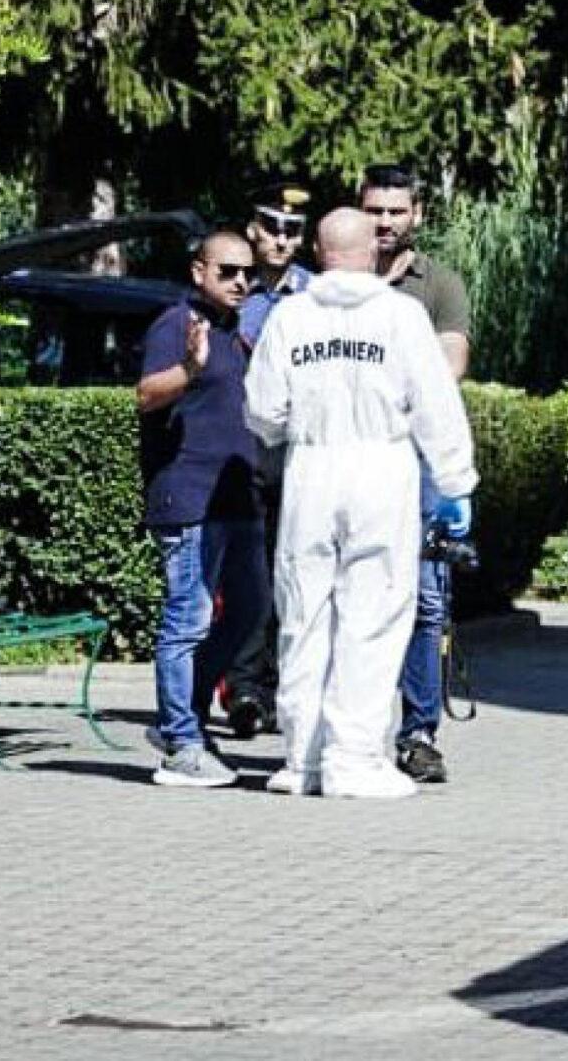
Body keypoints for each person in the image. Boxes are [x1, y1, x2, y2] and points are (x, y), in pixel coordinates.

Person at [243, 207, 477, 799]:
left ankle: (303, 758)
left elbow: (263, 413)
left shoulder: (291, 317)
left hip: (312, 468)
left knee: (303, 612)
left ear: (318, 253)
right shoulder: (400, 316)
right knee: (374, 612)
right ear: (372, 249)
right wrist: (456, 482)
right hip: (381, 467)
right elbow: (435, 403)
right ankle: (356, 758)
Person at [135, 228, 270, 788]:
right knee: (186, 620)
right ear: (198, 273)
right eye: (227, 272)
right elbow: (145, 394)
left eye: (247, 273)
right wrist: (189, 369)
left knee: (249, 609)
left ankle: (184, 718)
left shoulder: (235, 331)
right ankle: (180, 743)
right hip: (189, 498)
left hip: (237, 500)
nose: (240, 282)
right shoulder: (177, 325)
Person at [361, 163, 470, 785]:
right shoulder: (330, 282)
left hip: (418, 464)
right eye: (375, 210)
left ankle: (420, 732)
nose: (385, 222)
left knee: (426, 601)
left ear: (416, 215)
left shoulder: (440, 284)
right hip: (349, 461)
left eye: (396, 211)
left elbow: (448, 367)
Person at [224, 178, 316, 739]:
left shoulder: (317, 297)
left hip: (298, 453)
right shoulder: (235, 290)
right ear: (254, 230)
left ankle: (286, 686)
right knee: (246, 574)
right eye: (273, 228)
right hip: (243, 452)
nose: (281, 240)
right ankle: (245, 691)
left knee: (293, 574)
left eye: (292, 231)